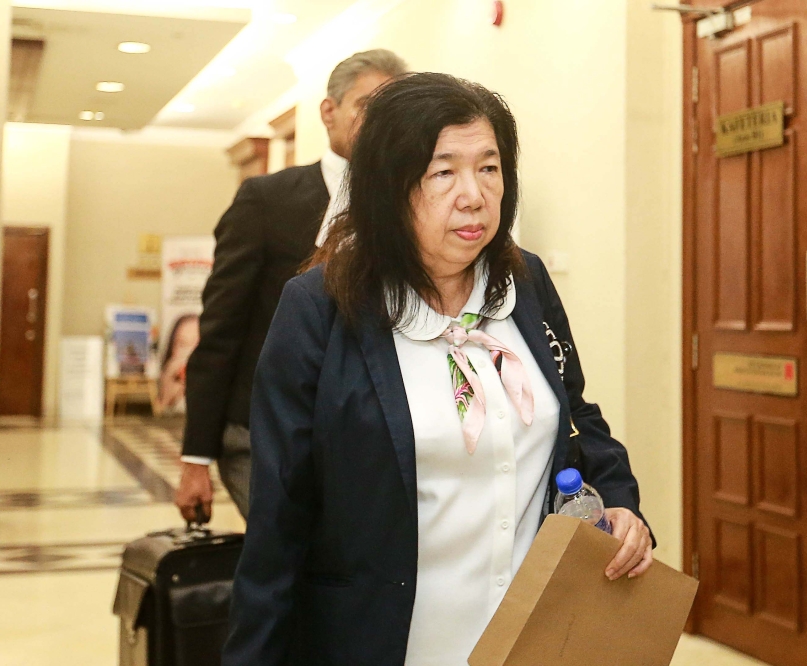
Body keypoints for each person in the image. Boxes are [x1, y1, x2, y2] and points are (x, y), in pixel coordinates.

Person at [223, 73, 655, 666]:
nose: (474, 195)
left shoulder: (524, 283)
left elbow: (574, 413)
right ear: (387, 186)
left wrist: (622, 502)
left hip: (532, 640)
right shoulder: (318, 308)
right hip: (386, 643)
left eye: (489, 168)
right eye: (442, 172)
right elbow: (278, 520)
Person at [175, 49, 408, 522]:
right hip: (261, 432)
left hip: (365, 436)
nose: (379, 121)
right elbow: (221, 326)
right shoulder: (267, 200)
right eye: (366, 105)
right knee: (286, 554)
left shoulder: (414, 203)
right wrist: (196, 457)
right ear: (329, 111)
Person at [158, 313, 200, 411]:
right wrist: (167, 389)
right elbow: (159, 409)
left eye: (196, 343)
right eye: (182, 344)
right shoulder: (169, 378)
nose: (189, 351)